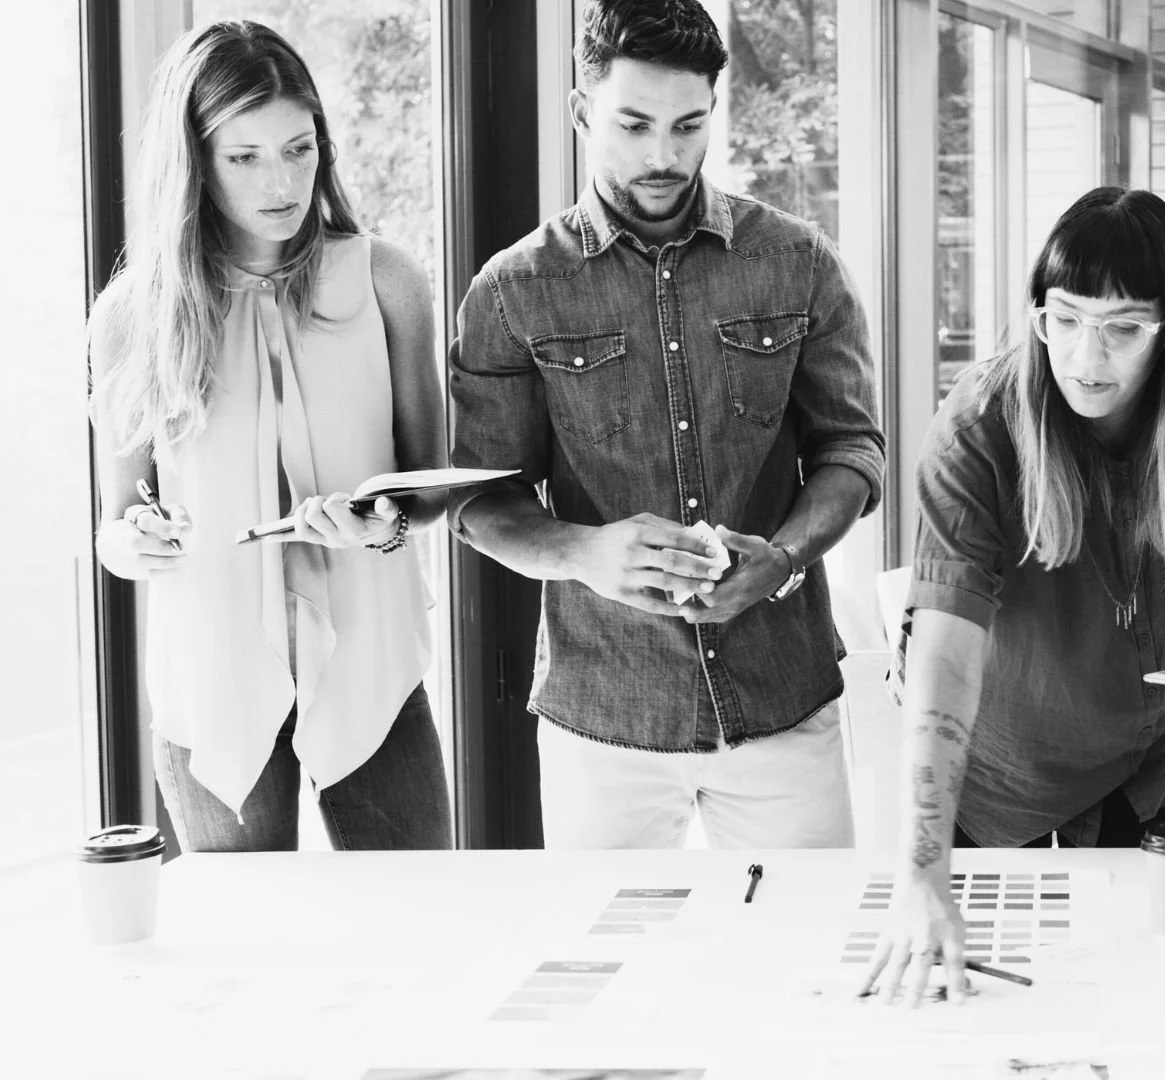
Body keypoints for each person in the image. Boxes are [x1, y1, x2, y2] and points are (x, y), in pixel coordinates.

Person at [446, 0, 883, 848]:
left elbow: (852, 450)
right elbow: (479, 499)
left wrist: (785, 557)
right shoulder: (510, 292)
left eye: (689, 126)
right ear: (582, 113)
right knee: (606, 970)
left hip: (783, 702)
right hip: (601, 715)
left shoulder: (799, 262)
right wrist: (585, 552)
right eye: (634, 124)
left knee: (798, 964)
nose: (663, 155)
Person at [861, 187, 1165, 1005]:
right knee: (1000, 997)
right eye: (1064, 320)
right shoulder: (979, 425)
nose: (1086, 360)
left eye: (1123, 329)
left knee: (1145, 989)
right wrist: (920, 873)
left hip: (1152, 761)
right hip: (1001, 772)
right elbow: (946, 652)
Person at [88, 21, 448, 851]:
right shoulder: (132, 316)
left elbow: (427, 487)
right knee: (247, 946)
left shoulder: (388, 281)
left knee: (422, 928)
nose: (282, 181)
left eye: (299, 146)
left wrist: (382, 523)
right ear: (194, 163)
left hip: (372, 667)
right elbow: (115, 524)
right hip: (211, 686)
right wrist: (136, 540)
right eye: (244, 157)